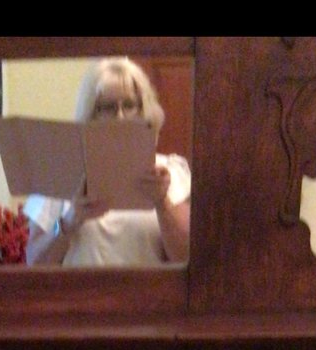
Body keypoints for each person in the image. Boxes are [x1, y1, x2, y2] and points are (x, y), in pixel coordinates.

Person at [22, 58, 191, 267]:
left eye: (129, 105)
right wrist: (69, 221)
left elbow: (188, 261)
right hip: (81, 298)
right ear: (90, 113)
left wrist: (162, 203)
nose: (120, 116)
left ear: (144, 111)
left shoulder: (170, 172)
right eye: (107, 107)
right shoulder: (59, 173)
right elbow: (34, 263)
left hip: (151, 299)